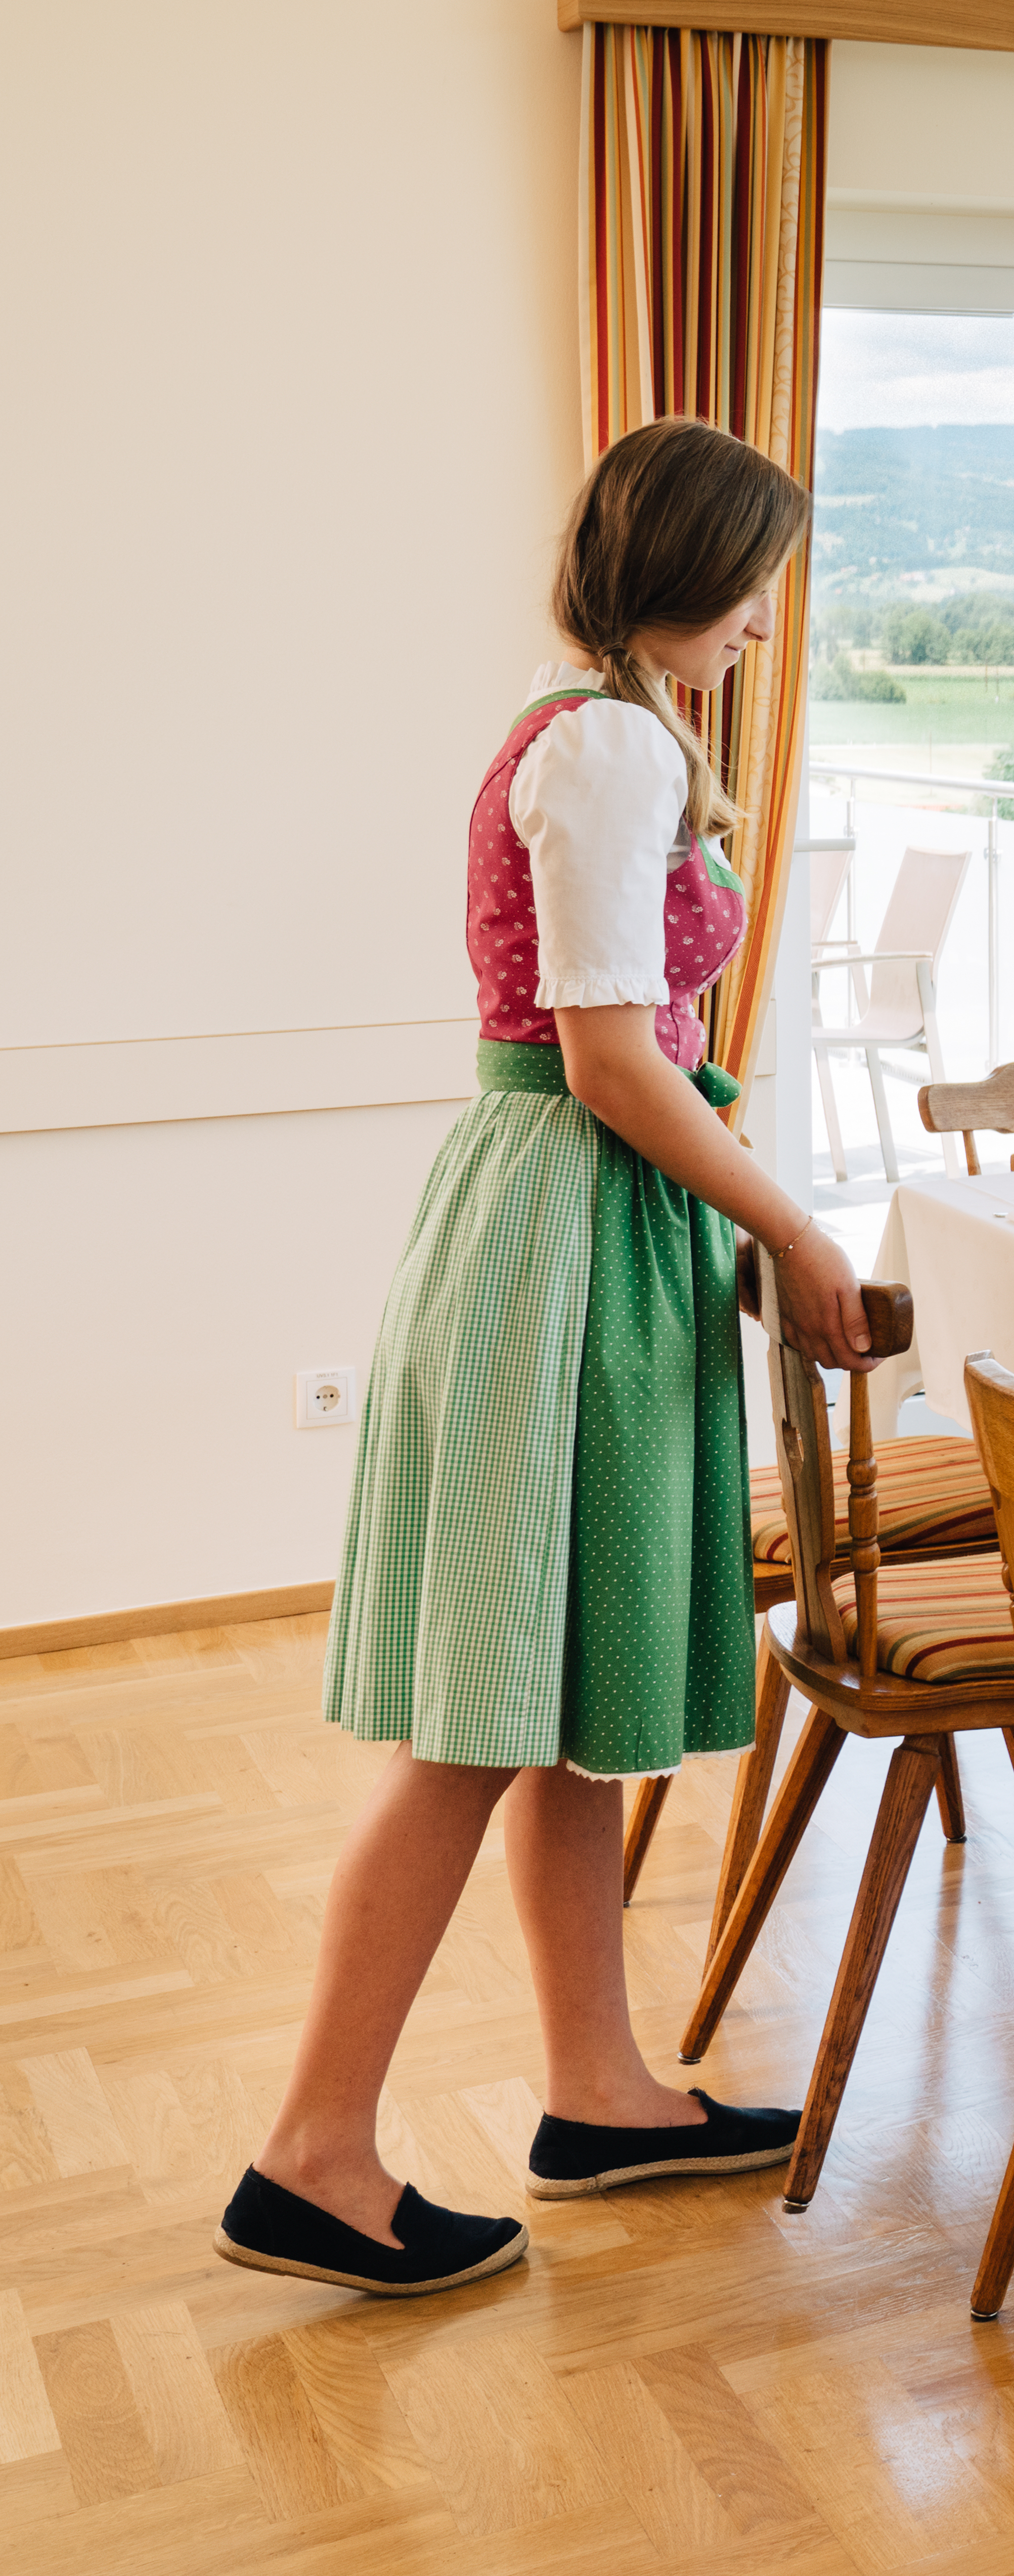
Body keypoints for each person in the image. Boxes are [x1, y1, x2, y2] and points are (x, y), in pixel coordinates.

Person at [220, 418, 880, 2296]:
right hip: (565, 1229)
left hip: (573, 1221)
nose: (770, 612)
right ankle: (314, 2153)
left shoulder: (589, 715)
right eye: (756, 574)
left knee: (558, 1698)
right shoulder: (603, 743)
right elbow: (608, 1055)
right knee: (477, 1724)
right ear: (688, 567)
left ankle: (602, 2090)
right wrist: (795, 1226)